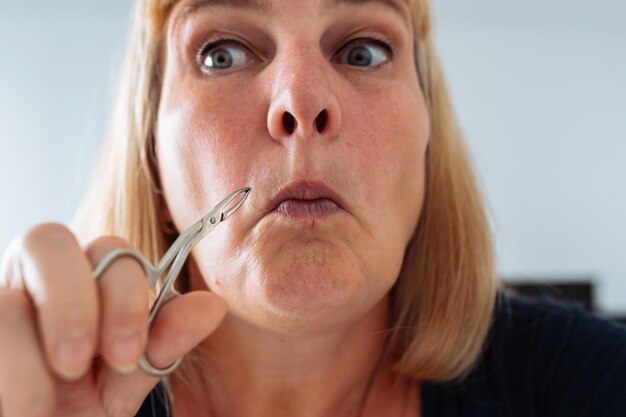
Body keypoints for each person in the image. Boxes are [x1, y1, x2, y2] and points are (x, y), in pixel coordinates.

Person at [1, 0, 625, 416]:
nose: (300, 102)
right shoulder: (61, 397)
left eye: (363, 51)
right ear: (151, 151)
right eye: (222, 52)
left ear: (428, 137)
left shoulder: (594, 382)